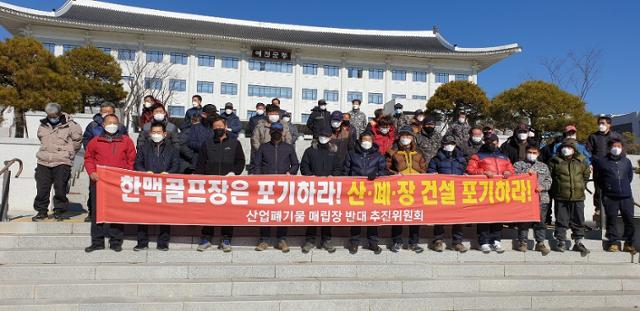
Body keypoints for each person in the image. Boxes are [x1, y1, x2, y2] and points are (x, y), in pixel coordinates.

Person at [84, 114, 136, 252]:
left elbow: (131, 159)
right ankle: (97, 242)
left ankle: (116, 242)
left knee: (117, 212)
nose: (112, 125)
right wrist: (91, 172)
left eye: (115, 123)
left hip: (119, 182)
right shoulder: (95, 141)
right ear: (103, 125)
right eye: (109, 122)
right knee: (97, 212)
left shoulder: (126, 141)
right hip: (99, 181)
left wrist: (128, 174)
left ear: (119, 125)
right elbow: (88, 158)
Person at [195, 117, 246, 252]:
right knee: (208, 212)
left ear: (225, 126)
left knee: (227, 213)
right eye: (215, 127)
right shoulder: (207, 143)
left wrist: (233, 173)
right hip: (210, 185)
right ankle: (206, 238)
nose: (218, 129)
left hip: (228, 185)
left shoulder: (235, 143)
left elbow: (240, 162)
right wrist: (201, 179)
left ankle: (226, 239)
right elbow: (200, 163)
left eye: (220, 126)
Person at [133, 121, 182, 251]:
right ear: (150, 134)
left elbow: (176, 165)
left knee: (165, 215)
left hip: (165, 186)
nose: (156, 134)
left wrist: (169, 173)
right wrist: (145, 172)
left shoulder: (173, 149)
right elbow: (137, 164)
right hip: (147, 186)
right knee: (143, 215)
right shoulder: (143, 148)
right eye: (154, 132)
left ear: (165, 134)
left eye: (159, 132)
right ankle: (142, 242)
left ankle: (163, 243)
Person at [252, 122, 299, 252]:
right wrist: (258, 177)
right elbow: (257, 164)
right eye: (274, 130)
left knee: (282, 212)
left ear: (283, 132)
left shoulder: (288, 147)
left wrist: (290, 172)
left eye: (279, 130)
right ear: (270, 132)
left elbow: (295, 164)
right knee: (265, 212)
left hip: (283, 187)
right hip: (266, 187)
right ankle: (264, 239)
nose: (276, 133)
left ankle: (281, 239)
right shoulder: (263, 147)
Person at [32, 103, 83, 221]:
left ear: (60, 114)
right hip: (43, 160)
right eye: (49, 115)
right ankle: (41, 211)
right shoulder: (43, 125)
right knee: (42, 188)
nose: (52, 117)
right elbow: (41, 139)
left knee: (60, 187)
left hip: (62, 160)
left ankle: (59, 211)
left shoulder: (72, 125)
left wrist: (67, 153)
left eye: (54, 115)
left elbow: (77, 142)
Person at [466, 133, 514, 254]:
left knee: (498, 216)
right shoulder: (478, 156)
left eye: (493, 142)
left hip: (499, 191)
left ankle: (496, 240)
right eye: (488, 142)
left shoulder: (504, 156)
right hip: (484, 191)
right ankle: (483, 241)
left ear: (497, 142)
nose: (491, 144)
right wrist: (483, 172)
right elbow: (470, 170)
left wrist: (509, 172)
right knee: (484, 216)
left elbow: (511, 169)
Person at [300, 128, 343, 253]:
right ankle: (310, 240)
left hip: (328, 189)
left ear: (330, 138)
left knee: (326, 215)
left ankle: (326, 240)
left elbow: (338, 167)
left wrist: (333, 176)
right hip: (313, 189)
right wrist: (310, 176)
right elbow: (304, 165)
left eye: (326, 136)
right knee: (312, 214)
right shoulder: (310, 151)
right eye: (321, 135)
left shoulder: (334, 152)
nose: (323, 138)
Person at [344, 131, 388, 254]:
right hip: (355, 191)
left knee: (372, 217)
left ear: (372, 141)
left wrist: (377, 174)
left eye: (369, 140)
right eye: (364, 139)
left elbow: (384, 171)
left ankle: (373, 243)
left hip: (372, 191)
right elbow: (345, 171)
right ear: (360, 140)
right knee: (356, 218)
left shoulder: (378, 156)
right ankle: (354, 243)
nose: (366, 142)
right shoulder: (352, 154)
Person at [386, 126, 426, 253]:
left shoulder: (419, 153)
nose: (406, 138)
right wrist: (394, 175)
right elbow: (386, 168)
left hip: (415, 189)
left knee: (415, 216)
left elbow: (424, 168)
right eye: (403, 136)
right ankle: (397, 241)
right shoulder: (392, 152)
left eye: (408, 136)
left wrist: (421, 177)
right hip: (399, 189)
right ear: (399, 137)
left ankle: (413, 242)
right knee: (398, 216)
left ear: (412, 138)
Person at [593, 139, 636, 254]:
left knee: (629, 220)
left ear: (622, 148)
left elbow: (629, 177)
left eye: (619, 146)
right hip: (610, 196)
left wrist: (623, 186)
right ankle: (613, 243)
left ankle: (629, 243)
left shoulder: (626, 161)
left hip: (626, 196)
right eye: (614, 146)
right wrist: (608, 187)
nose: (616, 148)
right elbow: (598, 178)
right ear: (609, 148)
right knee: (611, 220)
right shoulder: (602, 161)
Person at [548, 140, 591, 256]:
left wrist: (581, 184)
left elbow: (586, 174)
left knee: (578, 220)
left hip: (578, 196)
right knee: (561, 220)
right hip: (561, 196)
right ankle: (561, 240)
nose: (566, 149)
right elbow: (549, 176)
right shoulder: (554, 161)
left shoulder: (581, 161)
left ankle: (578, 242)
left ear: (574, 150)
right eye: (564, 147)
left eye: (569, 147)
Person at [427, 135, 468, 253]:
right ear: (442, 145)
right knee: (440, 217)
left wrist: (466, 176)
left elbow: (466, 171)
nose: (450, 146)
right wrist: (433, 174)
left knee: (458, 218)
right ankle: (438, 241)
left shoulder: (460, 159)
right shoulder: (436, 159)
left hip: (458, 193)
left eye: (452, 143)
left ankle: (457, 242)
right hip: (442, 192)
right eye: (447, 143)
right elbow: (430, 172)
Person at [513, 145, 553, 255]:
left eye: (534, 152)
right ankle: (522, 242)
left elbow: (549, 180)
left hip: (541, 198)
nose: (532, 154)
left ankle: (540, 243)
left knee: (540, 222)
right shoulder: (519, 165)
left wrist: (542, 187)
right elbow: (513, 178)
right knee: (524, 221)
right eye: (530, 152)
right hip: (525, 198)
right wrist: (526, 174)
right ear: (526, 153)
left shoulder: (543, 166)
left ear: (538, 154)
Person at [587, 115, 624, 218]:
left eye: (603, 123)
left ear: (609, 125)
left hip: (613, 166)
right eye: (599, 123)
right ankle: (598, 208)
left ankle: (616, 208)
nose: (601, 125)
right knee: (598, 189)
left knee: (615, 187)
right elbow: (588, 152)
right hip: (598, 167)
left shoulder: (616, 136)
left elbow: (622, 151)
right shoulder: (593, 136)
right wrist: (590, 163)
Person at [179, 104, 217, 170]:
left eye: (214, 113)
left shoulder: (216, 127)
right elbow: (190, 143)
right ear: (204, 114)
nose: (214, 116)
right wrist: (205, 147)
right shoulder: (195, 127)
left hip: (213, 163)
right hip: (197, 163)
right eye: (212, 114)